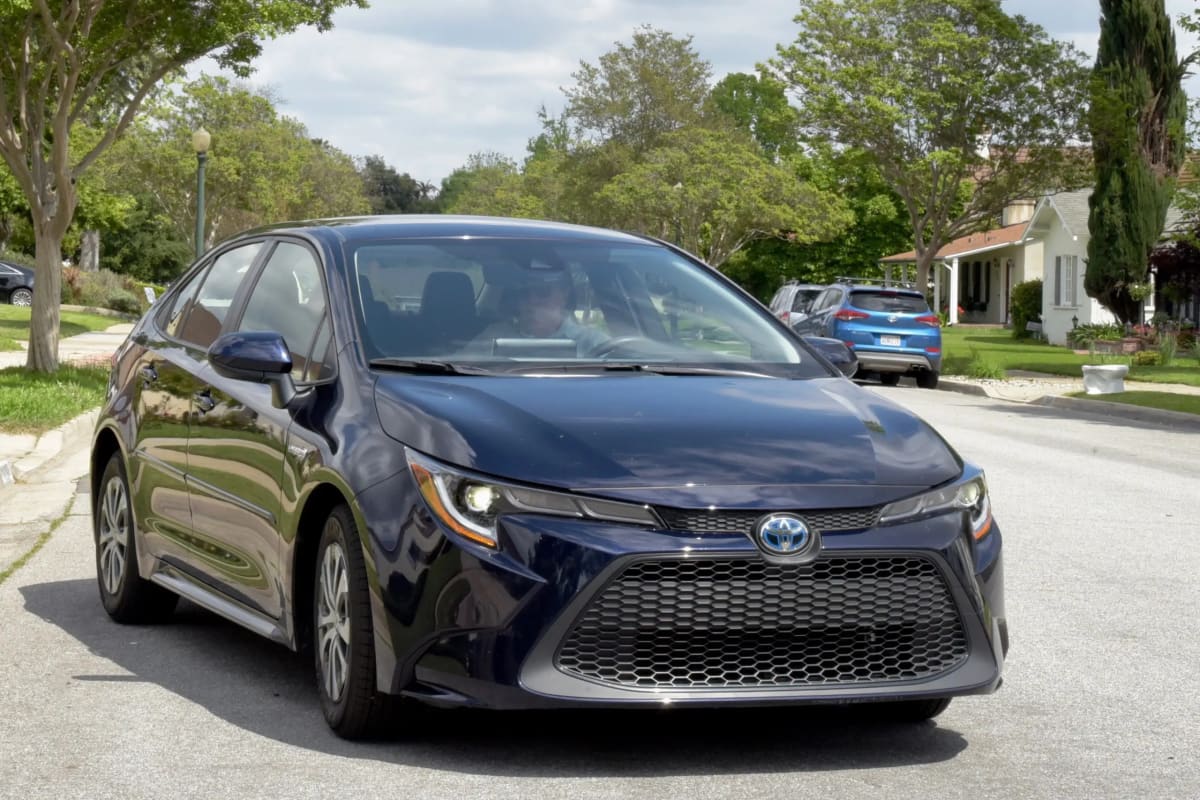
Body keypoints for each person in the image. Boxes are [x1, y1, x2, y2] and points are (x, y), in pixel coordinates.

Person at [467, 269, 609, 356]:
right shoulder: (494, 337)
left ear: (564, 295)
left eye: (542, 291)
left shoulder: (592, 342)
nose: (532, 300)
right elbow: (459, 366)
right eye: (523, 293)